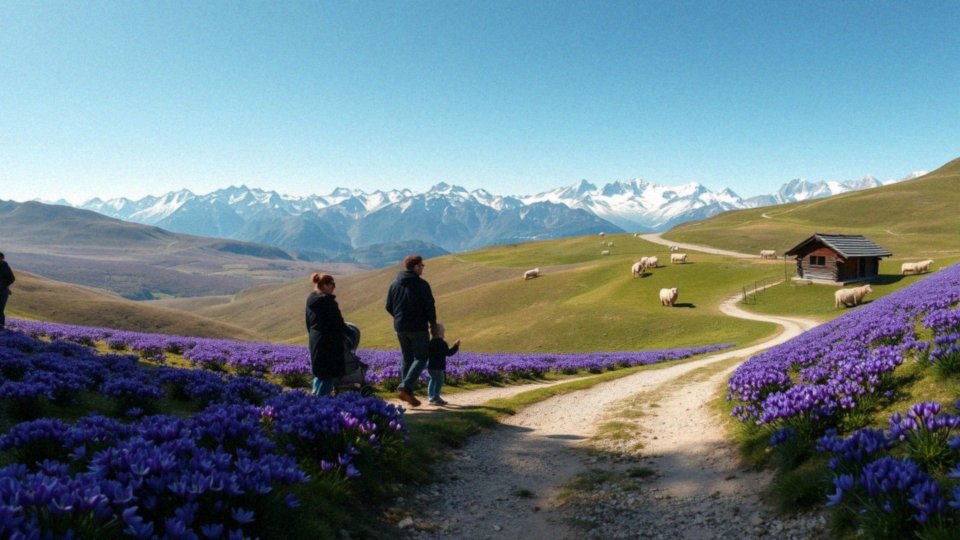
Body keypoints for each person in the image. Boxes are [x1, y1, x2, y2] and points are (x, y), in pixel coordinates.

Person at [385, 254, 437, 407]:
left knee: (407, 359)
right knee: (421, 357)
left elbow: (388, 306)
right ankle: (406, 386)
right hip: (418, 327)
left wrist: (399, 317)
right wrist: (433, 324)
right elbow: (429, 306)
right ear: (415, 267)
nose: (423, 268)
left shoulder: (394, 285)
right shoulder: (421, 285)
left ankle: (407, 393)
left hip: (400, 327)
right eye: (421, 266)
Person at [305, 272, 347, 397]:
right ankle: (322, 403)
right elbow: (338, 323)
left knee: (320, 372)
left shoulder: (311, 299)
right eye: (332, 284)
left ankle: (314, 396)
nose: (334, 287)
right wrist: (347, 332)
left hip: (315, 338)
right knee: (328, 373)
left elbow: (308, 322)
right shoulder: (328, 302)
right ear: (325, 285)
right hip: (329, 342)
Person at [426, 323, 460, 406]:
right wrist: (456, 346)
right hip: (439, 367)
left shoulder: (430, 343)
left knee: (432, 380)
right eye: (443, 331)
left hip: (430, 366)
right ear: (439, 333)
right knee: (440, 381)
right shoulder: (442, 343)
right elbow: (448, 353)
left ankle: (431, 397)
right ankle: (436, 397)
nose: (444, 332)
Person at [0, 252, 14, 330]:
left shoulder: (4, 265)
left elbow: (12, 278)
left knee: (0, 309)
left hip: (3, 291)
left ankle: (2, 328)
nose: (1, 260)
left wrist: (2, 285)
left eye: (1, 259)